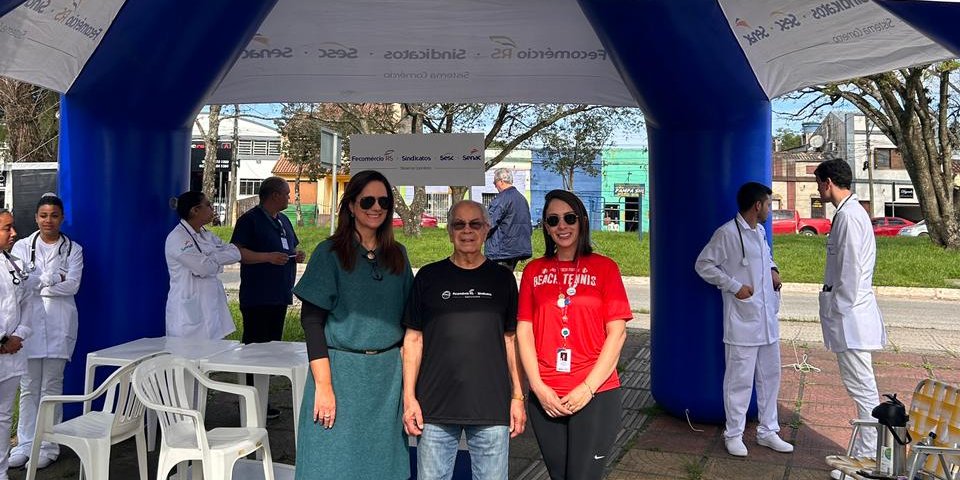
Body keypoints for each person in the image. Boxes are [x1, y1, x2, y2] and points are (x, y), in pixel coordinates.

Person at [292, 170, 412, 480]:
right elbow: (312, 321)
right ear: (351, 206)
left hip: (387, 379)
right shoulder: (329, 254)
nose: (376, 207)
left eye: (383, 201)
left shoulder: (397, 255)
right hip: (340, 375)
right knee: (331, 462)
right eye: (367, 200)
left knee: (383, 465)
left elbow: (411, 318)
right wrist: (323, 386)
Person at [401, 200, 526, 480]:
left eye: (475, 224)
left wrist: (518, 396)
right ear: (449, 231)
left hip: (491, 407)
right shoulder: (428, 277)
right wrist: (409, 398)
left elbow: (511, 340)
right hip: (434, 407)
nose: (467, 231)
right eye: (459, 224)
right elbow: (413, 341)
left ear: (486, 229)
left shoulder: (502, 279)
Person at [517, 189, 631, 480]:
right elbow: (524, 332)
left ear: (581, 221)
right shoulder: (533, 271)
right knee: (559, 475)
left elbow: (616, 334)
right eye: (553, 220)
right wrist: (538, 388)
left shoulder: (605, 268)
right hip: (547, 396)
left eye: (569, 218)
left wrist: (588, 388)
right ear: (545, 226)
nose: (562, 226)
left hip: (595, 394)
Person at [694, 182, 794, 457]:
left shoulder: (760, 232)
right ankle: (734, 434)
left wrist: (773, 270)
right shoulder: (726, 233)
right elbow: (703, 265)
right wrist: (734, 286)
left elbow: (765, 259)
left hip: (765, 320)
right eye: (769, 204)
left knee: (770, 376)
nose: (771, 210)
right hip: (742, 321)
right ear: (757, 205)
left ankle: (768, 431)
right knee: (739, 380)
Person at [814, 159, 886, 475]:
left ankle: (867, 460)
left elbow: (851, 272)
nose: (819, 190)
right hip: (849, 316)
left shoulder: (850, 217)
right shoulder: (848, 214)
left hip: (851, 318)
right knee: (861, 389)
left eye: (819, 184)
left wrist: (836, 309)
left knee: (863, 390)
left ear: (828, 182)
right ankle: (865, 454)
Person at [6, 195, 75, 471]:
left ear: (62, 218)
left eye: (54, 215)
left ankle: (49, 445)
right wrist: (54, 278)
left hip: (60, 324)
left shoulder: (74, 250)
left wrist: (38, 282)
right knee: (28, 387)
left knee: (51, 387)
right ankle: (25, 444)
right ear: (36, 218)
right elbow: (21, 285)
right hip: (29, 325)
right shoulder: (22, 246)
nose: (49, 221)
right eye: (43, 215)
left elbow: (73, 286)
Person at [231, 177, 305, 418]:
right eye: (286, 193)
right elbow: (238, 253)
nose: (289, 198)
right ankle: (248, 401)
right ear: (274, 195)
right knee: (255, 351)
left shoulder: (282, 220)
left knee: (271, 352)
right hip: (258, 296)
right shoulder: (249, 221)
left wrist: (295, 254)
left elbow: (288, 247)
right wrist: (267, 257)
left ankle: (263, 400)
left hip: (279, 294)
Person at [164, 191, 240, 339]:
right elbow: (203, 268)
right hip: (189, 314)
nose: (213, 209)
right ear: (195, 210)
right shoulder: (177, 238)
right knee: (187, 359)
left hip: (211, 309)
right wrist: (216, 261)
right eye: (208, 205)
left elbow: (235, 252)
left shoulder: (206, 234)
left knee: (213, 355)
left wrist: (211, 258)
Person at [0, 209, 30, 480]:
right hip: (3, 347)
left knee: (3, 417)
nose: (14, 233)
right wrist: (2, 340)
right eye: (7, 228)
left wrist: (18, 335)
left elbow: (26, 304)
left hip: (11, 354)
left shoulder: (14, 263)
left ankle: (1, 472)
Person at [485, 168, 532, 271]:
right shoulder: (522, 199)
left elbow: (489, 223)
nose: (494, 185)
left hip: (501, 250)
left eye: (494, 182)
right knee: (507, 280)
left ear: (501, 181)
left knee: (497, 283)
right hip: (517, 249)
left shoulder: (501, 199)